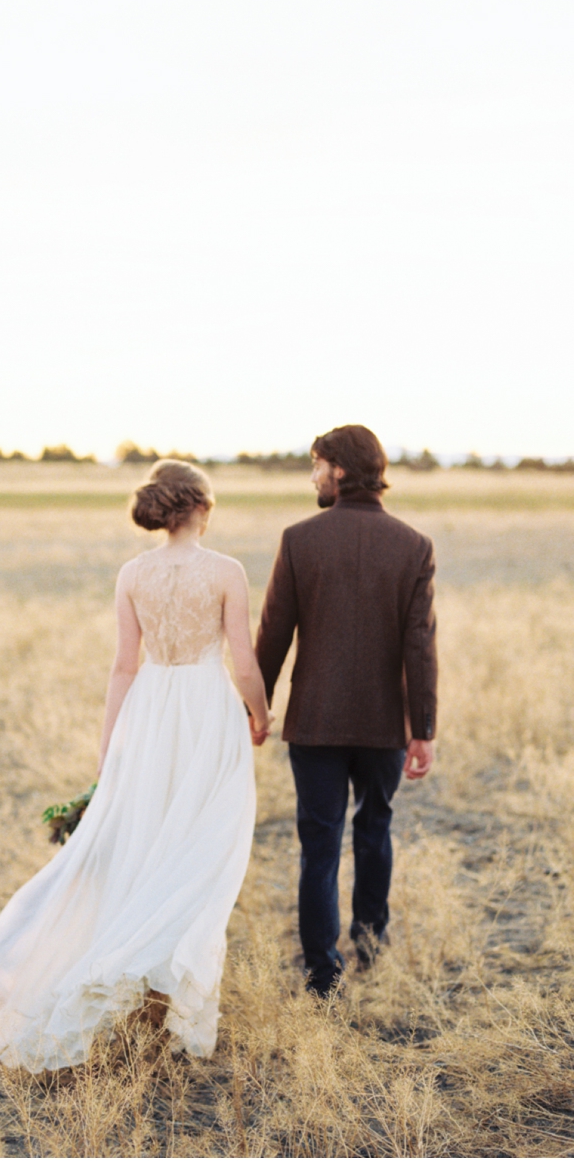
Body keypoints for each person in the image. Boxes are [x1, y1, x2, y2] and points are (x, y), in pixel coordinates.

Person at [0, 460, 271, 1071]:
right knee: (195, 849)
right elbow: (243, 660)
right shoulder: (226, 571)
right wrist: (260, 714)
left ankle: (142, 995)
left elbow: (122, 667)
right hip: (205, 714)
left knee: (140, 847)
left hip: (152, 713)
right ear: (200, 507)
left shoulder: (133, 573)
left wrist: (110, 746)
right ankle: (150, 990)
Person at [254, 425, 437, 998]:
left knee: (319, 841)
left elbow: (273, 635)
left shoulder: (299, 539)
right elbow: (420, 646)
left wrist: (256, 708)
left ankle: (321, 971)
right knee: (375, 826)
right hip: (385, 724)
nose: (311, 475)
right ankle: (370, 943)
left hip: (315, 721)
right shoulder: (414, 545)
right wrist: (422, 728)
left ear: (339, 470)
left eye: (315, 464)